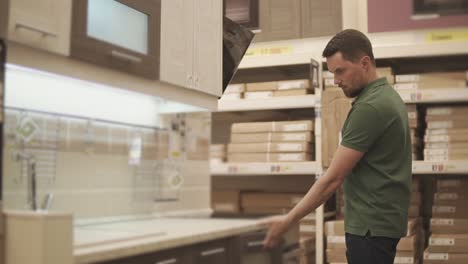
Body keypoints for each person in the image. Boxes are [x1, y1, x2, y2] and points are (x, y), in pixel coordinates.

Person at [262, 29, 412, 264]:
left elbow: (332, 179)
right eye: (333, 73)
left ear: (364, 63)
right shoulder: (386, 97)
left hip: (369, 229)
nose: (335, 80)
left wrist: (288, 221)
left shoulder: (370, 107)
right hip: (379, 225)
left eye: (340, 71)